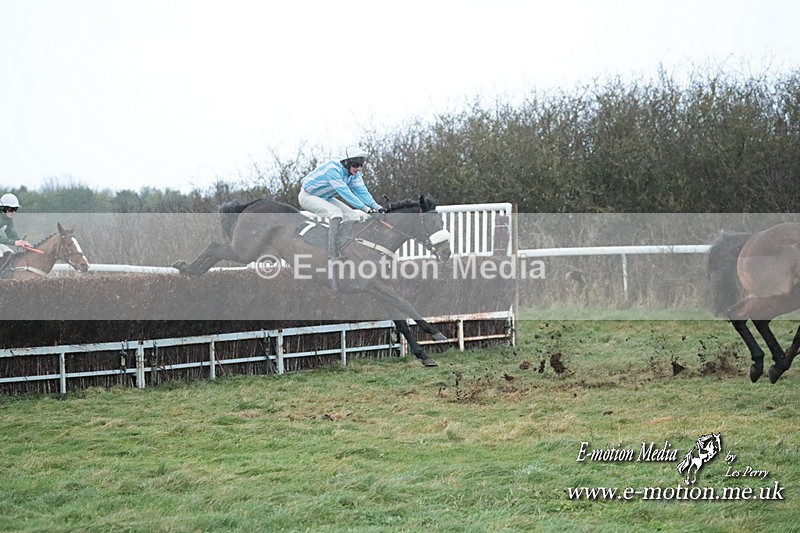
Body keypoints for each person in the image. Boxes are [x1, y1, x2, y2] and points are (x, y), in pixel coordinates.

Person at [298, 146, 385, 261]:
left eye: (360, 165)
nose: (358, 168)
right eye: (356, 165)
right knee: (336, 213)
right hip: (307, 196)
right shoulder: (333, 169)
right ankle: (332, 254)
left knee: (353, 216)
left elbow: (363, 192)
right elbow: (346, 193)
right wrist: (366, 209)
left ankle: (344, 247)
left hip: (325, 197)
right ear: (346, 163)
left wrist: (377, 207)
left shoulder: (355, 175)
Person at [0, 193, 33, 276]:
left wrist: (21, 242)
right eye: (11, 209)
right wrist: (14, 242)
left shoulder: (8, 219)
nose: (13, 212)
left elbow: (12, 235)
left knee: (9, 252)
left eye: (15, 209)